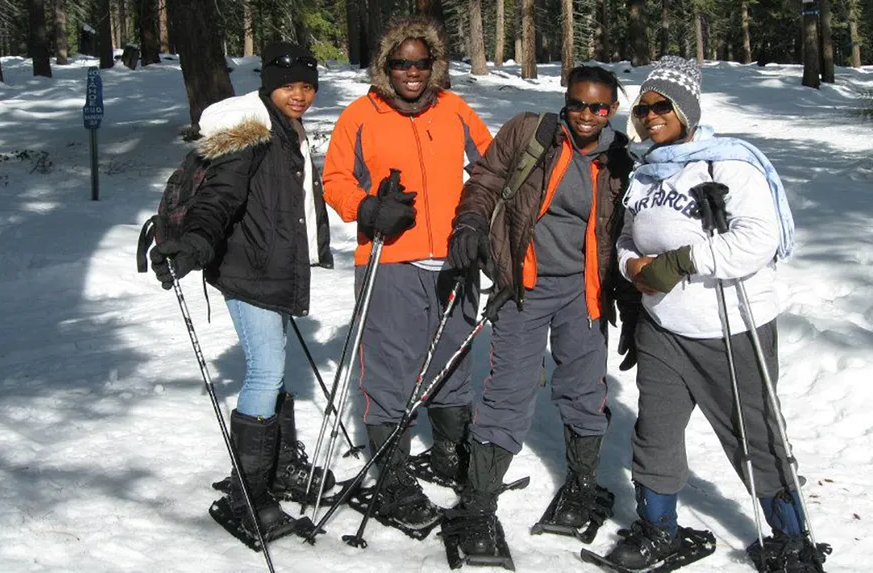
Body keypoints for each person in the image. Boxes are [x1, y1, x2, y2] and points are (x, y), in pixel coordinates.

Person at [598, 55, 828, 572]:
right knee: (654, 432)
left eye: (662, 107)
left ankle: (791, 540)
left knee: (753, 434)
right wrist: (632, 264)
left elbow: (757, 241)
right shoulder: (647, 172)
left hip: (730, 327)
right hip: (662, 327)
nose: (650, 116)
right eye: (643, 109)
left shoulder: (730, 164)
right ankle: (659, 530)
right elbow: (630, 237)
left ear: (687, 109)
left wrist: (682, 261)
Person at [443, 65, 635, 564]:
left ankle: (582, 483)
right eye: (578, 104)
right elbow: (485, 180)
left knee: (584, 388)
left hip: (584, 291)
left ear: (612, 109)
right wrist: (468, 224)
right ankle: (479, 507)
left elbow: (637, 224)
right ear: (564, 101)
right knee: (508, 391)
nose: (587, 116)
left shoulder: (621, 159)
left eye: (599, 107)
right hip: (523, 285)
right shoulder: (531, 132)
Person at [148, 42, 335, 543]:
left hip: (271, 268)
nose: (300, 95)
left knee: (272, 370)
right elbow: (220, 198)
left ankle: (271, 468)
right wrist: (192, 242)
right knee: (266, 369)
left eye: (307, 86)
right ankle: (247, 491)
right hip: (246, 270)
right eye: (289, 85)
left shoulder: (285, 129)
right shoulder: (249, 133)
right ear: (268, 84)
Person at [322, 16, 493, 531]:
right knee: (391, 369)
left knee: (452, 362)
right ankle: (392, 476)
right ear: (386, 66)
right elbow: (333, 180)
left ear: (434, 65)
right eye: (402, 63)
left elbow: (491, 166)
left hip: (455, 260)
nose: (412, 72)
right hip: (390, 261)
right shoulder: (360, 115)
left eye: (421, 63)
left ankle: (447, 453)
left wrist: (477, 220)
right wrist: (368, 208)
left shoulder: (454, 109)